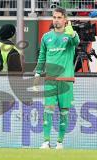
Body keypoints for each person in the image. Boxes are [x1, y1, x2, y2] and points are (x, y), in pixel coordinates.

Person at [34, 7, 80, 149]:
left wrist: (72, 34)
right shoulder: (46, 37)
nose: (56, 20)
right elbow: (42, 56)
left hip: (66, 80)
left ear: (65, 19)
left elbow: (76, 42)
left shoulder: (71, 35)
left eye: (59, 17)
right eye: (54, 17)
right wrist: (37, 73)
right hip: (50, 80)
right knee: (48, 109)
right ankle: (46, 141)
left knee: (64, 112)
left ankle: (60, 142)